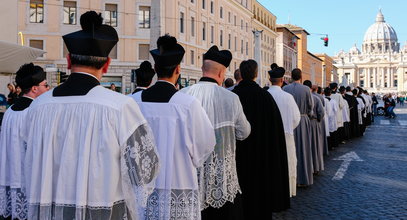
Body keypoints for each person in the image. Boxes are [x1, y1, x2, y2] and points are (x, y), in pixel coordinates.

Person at [23, 11, 160, 220]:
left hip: (49, 209)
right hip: (103, 208)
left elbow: (29, 156)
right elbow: (146, 169)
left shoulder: (38, 106)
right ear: (106, 65)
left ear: (68, 61)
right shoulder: (119, 106)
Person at [129, 34, 216, 220]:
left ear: (155, 69)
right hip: (179, 180)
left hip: (140, 187)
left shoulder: (132, 102)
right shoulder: (187, 104)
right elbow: (206, 143)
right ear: (178, 69)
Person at [180, 45, 251, 220]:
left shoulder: (183, 95)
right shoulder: (231, 98)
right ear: (221, 74)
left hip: (191, 177)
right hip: (223, 179)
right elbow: (244, 132)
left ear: (202, 69)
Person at [233, 60, 289, 216]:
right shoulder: (266, 98)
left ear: (241, 74)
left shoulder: (233, 96)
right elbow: (275, 133)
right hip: (262, 159)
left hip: (238, 158)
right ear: (256, 74)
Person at [0, 63, 49, 220]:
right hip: (29, 182)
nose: (48, 89)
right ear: (34, 89)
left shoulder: (10, 111)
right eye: (45, 85)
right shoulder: (34, 112)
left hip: (10, 176)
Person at [267, 66, 300, 197]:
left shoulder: (266, 95)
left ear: (270, 79)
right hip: (286, 135)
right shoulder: (288, 97)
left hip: (269, 137)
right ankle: (287, 190)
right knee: (288, 164)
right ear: (282, 80)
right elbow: (296, 118)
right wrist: (288, 127)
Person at [283, 68, 314, 186]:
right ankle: (303, 178)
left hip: (289, 121)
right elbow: (311, 105)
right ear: (301, 77)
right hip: (303, 119)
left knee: (290, 150)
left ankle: (291, 178)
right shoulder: (306, 89)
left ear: (291, 76)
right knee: (304, 149)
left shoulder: (286, 88)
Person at [303, 80, 324, 174]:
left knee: (304, 146)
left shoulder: (300, 97)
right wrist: (318, 120)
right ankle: (315, 167)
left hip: (303, 123)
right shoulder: (316, 98)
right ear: (311, 88)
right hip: (313, 123)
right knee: (315, 145)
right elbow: (321, 113)